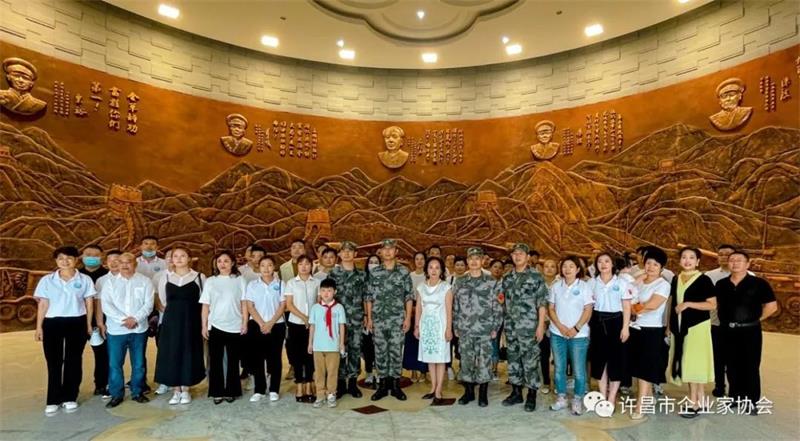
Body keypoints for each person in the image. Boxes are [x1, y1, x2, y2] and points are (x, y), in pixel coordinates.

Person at [34, 246, 95, 415]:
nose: (65, 261)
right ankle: (53, 399)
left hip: (77, 321)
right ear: (56, 261)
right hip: (52, 323)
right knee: (53, 361)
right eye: (61, 258)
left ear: (76, 260)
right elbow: (43, 304)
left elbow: (89, 303)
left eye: (69, 258)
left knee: (73, 360)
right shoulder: (47, 280)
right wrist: (39, 327)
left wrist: (88, 324)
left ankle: (70, 396)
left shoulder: (85, 280)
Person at [715, 251, 777, 415]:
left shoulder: (759, 283)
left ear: (748, 264)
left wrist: (756, 319)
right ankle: (735, 397)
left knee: (750, 365)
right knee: (731, 365)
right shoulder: (721, 284)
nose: (735, 263)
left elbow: (772, 307)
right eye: (732, 260)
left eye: (739, 260)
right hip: (727, 330)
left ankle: (751, 401)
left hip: (750, 331)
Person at [667, 247, 716, 418]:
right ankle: (698, 400)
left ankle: (695, 402)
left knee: (694, 364)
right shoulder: (676, 278)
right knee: (686, 364)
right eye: (684, 257)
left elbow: (712, 304)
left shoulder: (704, 280)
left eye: (691, 257)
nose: (687, 260)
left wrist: (688, 304)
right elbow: (672, 303)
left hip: (697, 327)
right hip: (679, 328)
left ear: (698, 261)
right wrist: (668, 326)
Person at [154, 247, 206, 405]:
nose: (178, 258)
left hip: (192, 321)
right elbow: (163, 300)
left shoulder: (199, 277)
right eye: (175, 256)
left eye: (183, 255)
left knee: (189, 352)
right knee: (172, 352)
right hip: (171, 322)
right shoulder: (165, 277)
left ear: (189, 258)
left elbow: (204, 300)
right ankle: (176, 390)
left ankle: (186, 389)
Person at [101, 253, 154, 408]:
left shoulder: (145, 281)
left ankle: (137, 392)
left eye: (128, 262)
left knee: (138, 363)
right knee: (115, 364)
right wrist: (124, 321)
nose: (125, 265)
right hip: (116, 330)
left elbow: (148, 304)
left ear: (135, 264)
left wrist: (135, 319)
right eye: (121, 262)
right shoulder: (110, 283)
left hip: (139, 329)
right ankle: (116, 394)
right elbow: (106, 305)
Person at [500, 243, 548, 412]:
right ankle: (516, 392)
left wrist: (540, 326)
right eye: (515, 254)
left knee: (530, 360)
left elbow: (542, 303)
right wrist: (503, 330)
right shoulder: (507, 278)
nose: (517, 256)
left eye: (521, 253)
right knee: (513, 359)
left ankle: (531, 395)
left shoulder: (536, 276)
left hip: (529, 327)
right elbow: (503, 304)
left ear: (528, 257)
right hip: (511, 326)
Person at [452, 247, 502, 407]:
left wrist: (495, 327)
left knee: (484, 361)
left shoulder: (491, 282)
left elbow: (498, 307)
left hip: (485, 329)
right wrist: (455, 325)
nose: (474, 261)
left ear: (482, 261)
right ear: (467, 261)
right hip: (465, 329)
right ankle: (468, 392)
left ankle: (483, 393)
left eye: (477, 258)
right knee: (466, 360)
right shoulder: (460, 281)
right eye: (471, 259)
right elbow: (455, 306)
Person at [366, 239, 414, 401]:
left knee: (395, 352)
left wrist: (408, 318)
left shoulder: (403, 272)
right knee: (380, 352)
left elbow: (408, 296)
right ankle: (382, 385)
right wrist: (369, 318)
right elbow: (369, 297)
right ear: (380, 252)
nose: (387, 252)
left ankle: (395, 385)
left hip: (397, 319)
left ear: (396, 251)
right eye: (384, 249)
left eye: (391, 248)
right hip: (378, 319)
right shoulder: (374, 272)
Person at [200, 250, 248, 404]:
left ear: (232, 263)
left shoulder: (239, 280)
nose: (222, 264)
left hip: (235, 324)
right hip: (215, 325)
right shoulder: (210, 281)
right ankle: (217, 391)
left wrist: (245, 322)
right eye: (219, 261)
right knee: (215, 360)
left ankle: (232, 391)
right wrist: (204, 326)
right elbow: (205, 305)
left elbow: (244, 303)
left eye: (226, 261)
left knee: (233, 360)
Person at [628, 247, 670, 420]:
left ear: (662, 268)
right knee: (638, 367)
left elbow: (652, 305)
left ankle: (641, 405)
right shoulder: (639, 281)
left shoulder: (663, 284)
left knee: (645, 369)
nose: (651, 267)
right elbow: (626, 295)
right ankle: (649, 397)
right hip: (635, 328)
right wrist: (633, 306)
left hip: (651, 330)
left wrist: (632, 309)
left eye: (655, 264)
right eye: (648, 263)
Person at [547, 256, 593, 415]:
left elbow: (588, 309)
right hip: (557, 333)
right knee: (559, 368)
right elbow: (551, 308)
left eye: (571, 266)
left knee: (579, 370)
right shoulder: (556, 286)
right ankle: (561, 397)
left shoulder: (585, 287)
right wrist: (560, 327)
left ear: (578, 269)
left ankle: (577, 399)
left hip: (579, 335)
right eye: (564, 266)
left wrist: (576, 328)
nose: (567, 269)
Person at [588, 251, 634, 410]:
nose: (603, 264)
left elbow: (627, 306)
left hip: (617, 322)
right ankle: (602, 396)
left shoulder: (621, 283)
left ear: (613, 264)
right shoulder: (591, 283)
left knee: (616, 360)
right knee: (599, 360)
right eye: (600, 261)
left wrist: (625, 327)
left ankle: (612, 397)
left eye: (606, 261)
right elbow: (588, 306)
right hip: (597, 322)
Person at [243, 255, 286, 402]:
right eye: (263, 265)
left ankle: (274, 389)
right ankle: (259, 390)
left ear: (274, 267)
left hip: (277, 325)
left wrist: (271, 323)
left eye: (269, 265)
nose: (266, 268)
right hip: (256, 325)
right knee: (257, 358)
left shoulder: (281, 284)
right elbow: (250, 306)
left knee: (275, 358)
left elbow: (282, 305)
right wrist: (262, 324)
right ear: (258, 268)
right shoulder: (252, 285)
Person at [328, 241, 367, 398]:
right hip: (338, 320)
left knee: (355, 349)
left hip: (356, 318)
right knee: (338, 350)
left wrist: (366, 316)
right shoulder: (333, 274)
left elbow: (366, 297)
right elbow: (327, 296)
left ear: (355, 254)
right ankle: (339, 383)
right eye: (343, 251)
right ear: (339, 254)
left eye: (350, 251)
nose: (346, 253)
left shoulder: (362, 275)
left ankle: (352, 383)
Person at [415, 256, 453, 405]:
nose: (434, 270)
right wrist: (417, 326)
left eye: (437, 267)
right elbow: (419, 308)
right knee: (430, 358)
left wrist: (448, 329)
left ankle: (439, 389)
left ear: (442, 270)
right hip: (426, 326)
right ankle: (432, 388)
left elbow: (449, 310)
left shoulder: (446, 287)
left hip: (440, 326)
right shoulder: (421, 287)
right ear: (426, 270)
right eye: (431, 267)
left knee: (440, 358)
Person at [283, 255, 320, 402]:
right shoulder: (291, 283)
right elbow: (289, 304)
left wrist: (311, 319)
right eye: (301, 264)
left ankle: (310, 384)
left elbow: (318, 303)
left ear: (312, 266)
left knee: (310, 355)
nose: (304, 267)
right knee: (297, 356)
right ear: (297, 266)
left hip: (313, 324)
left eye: (307, 264)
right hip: (295, 323)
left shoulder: (317, 282)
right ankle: (299, 385)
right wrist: (304, 318)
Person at [307, 278, 347, 408]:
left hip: (333, 346)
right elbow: (312, 326)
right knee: (319, 372)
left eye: (329, 290)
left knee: (332, 372)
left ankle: (331, 394)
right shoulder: (315, 308)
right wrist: (310, 343)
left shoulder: (339, 308)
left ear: (335, 292)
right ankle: (320, 395)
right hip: (318, 346)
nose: (326, 293)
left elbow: (341, 326)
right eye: (323, 290)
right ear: (320, 292)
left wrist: (341, 343)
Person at [705, 244, 736, 397]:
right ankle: (719, 385)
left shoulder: (748, 275)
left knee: (734, 358)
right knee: (718, 356)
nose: (724, 257)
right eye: (721, 254)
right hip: (715, 322)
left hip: (737, 325)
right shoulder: (709, 275)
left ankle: (735, 388)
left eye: (727, 254)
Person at [79, 244, 110, 397]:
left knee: (102, 355)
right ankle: (72, 390)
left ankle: (101, 385)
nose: (91, 257)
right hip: (78, 321)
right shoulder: (76, 275)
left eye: (95, 255)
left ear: (102, 257)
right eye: (88, 254)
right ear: (82, 256)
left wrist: (101, 322)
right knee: (74, 356)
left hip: (101, 321)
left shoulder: (108, 276)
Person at [405, 251, 429, 382]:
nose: (419, 261)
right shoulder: (410, 276)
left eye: (422, 259)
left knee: (423, 342)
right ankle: (413, 371)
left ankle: (423, 371)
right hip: (411, 310)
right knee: (411, 342)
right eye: (417, 259)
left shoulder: (428, 275)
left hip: (426, 311)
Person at [538, 258, 559, 394]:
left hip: (558, 324)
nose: (549, 269)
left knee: (558, 356)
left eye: (553, 266)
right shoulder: (538, 284)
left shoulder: (561, 283)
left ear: (557, 269)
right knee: (544, 354)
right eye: (547, 266)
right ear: (542, 269)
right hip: (542, 323)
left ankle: (558, 382)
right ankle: (546, 381)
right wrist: (542, 322)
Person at [361, 254, 381, 388]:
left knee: (379, 346)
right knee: (368, 346)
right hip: (366, 317)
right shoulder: (363, 279)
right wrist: (366, 316)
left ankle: (379, 372)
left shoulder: (383, 278)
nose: (373, 264)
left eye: (376, 262)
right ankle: (368, 372)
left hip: (381, 317)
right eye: (371, 262)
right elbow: (363, 299)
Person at [489, 259, 506, 379]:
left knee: (495, 343)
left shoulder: (504, 285)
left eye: (500, 268)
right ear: (490, 268)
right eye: (495, 267)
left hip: (498, 319)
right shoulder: (484, 282)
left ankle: (494, 369)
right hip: (483, 319)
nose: (497, 269)